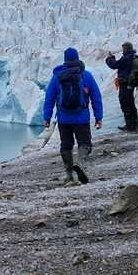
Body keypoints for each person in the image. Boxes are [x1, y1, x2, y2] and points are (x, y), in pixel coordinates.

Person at [42, 47, 103, 184]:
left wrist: (47, 117)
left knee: (66, 145)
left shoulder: (57, 76)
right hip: (82, 118)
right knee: (85, 143)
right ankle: (81, 163)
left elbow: (49, 98)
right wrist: (98, 117)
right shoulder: (86, 75)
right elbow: (96, 97)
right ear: (77, 58)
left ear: (65, 60)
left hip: (64, 118)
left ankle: (69, 174)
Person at [105, 42, 138, 131]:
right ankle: (134, 125)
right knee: (130, 103)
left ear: (126, 49)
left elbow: (114, 65)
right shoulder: (132, 57)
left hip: (125, 84)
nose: (123, 50)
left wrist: (109, 58)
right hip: (130, 84)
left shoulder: (126, 58)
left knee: (125, 103)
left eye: (123, 48)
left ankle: (130, 125)